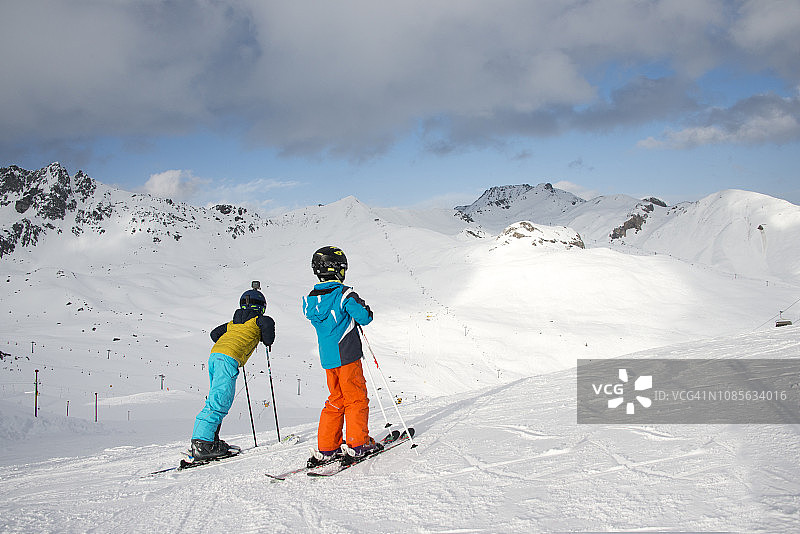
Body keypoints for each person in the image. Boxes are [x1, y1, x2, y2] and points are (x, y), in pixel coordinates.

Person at [302, 246, 380, 467]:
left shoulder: (311, 300)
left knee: (336, 399)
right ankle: (358, 443)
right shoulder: (344, 294)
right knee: (355, 397)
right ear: (338, 270)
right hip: (347, 355)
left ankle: (327, 447)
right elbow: (364, 317)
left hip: (328, 359)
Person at [190, 284, 276, 460]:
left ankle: (210, 440)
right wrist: (264, 340)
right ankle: (202, 444)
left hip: (215, 356)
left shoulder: (233, 323)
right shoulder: (258, 320)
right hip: (229, 359)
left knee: (216, 397)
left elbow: (214, 334)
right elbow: (268, 328)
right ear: (262, 307)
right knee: (219, 401)